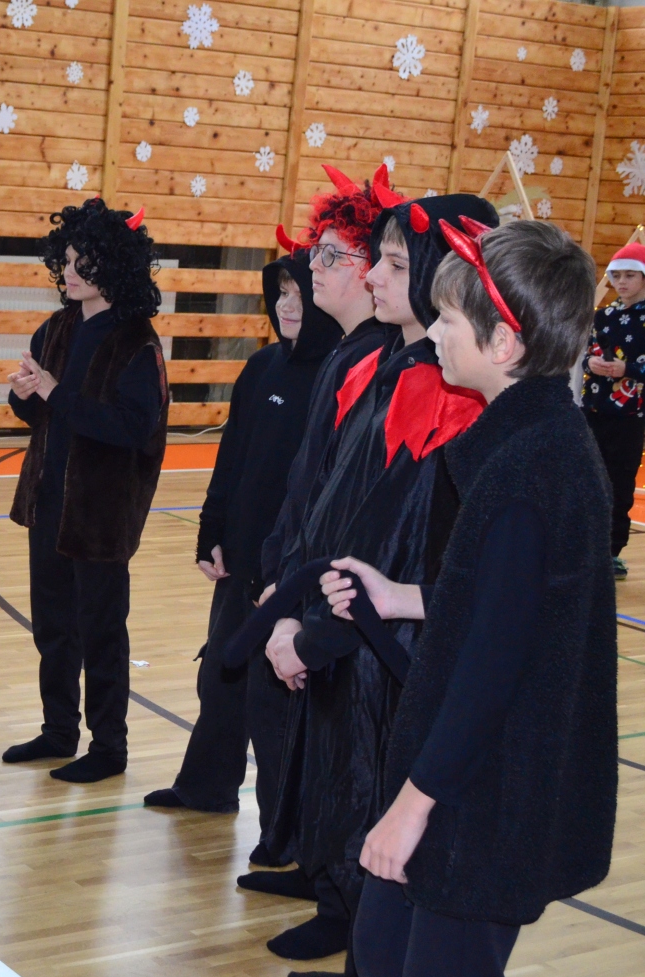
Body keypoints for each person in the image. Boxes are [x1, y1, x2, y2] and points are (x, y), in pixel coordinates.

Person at [320, 219, 615, 977]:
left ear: (505, 344)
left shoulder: (532, 470)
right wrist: (402, 597)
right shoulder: (525, 446)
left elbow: (494, 668)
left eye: (450, 319)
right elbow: (503, 603)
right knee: (384, 954)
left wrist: (410, 809)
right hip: (469, 780)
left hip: (486, 794)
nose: (437, 332)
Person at [253, 192, 500, 977]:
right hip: (350, 627)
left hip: (389, 650)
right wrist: (294, 606)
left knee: (371, 814)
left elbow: (390, 538)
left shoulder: (442, 391)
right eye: (381, 260)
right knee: (345, 804)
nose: (376, 277)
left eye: (396, 264)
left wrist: (314, 629)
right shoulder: (387, 364)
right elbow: (328, 501)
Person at [233, 168, 398, 930]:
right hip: (305, 573)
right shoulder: (348, 351)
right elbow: (310, 483)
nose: (314, 268)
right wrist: (281, 569)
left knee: (346, 751)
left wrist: (302, 593)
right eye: (316, 254)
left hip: (343, 597)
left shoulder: (378, 358)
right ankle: (315, 869)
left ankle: (342, 903)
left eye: (333, 256)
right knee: (307, 740)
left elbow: (351, 499)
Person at [143, 251, 341, 843]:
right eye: (280, 293)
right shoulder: (261, 368)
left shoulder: (337, 375)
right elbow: (232, 457)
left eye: (299, 294)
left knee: (272, 700)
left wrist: (288, 565)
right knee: (220, 676)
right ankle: (205, 787)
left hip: (291, 565)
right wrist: (212, 530)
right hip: (242, 553)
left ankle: (283, 835)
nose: (286, 304)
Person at [1, 199, 168, 784]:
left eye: (83, 262)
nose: (69, 272)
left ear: (114, 266)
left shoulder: (137, 344)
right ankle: (58, 731)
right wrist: (25, 394)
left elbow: (132, 429)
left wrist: (55, 393)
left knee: (101, 633)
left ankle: (109, 747)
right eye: (67, 260)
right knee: (52, 627)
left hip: (99, 515)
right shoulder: (57, 327)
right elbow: (38, 415)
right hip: (49, 501)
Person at [580, 241, 645, 578]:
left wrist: (628, 370)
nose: (621, 282)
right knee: (587, 479)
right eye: (616, 276)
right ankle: (582, 545)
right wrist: (590, 363)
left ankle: (611, 551)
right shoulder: (603, 316)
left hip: (629, 417)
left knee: (619, 484)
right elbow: (585, 353)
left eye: (630, 276)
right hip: (593, 410)